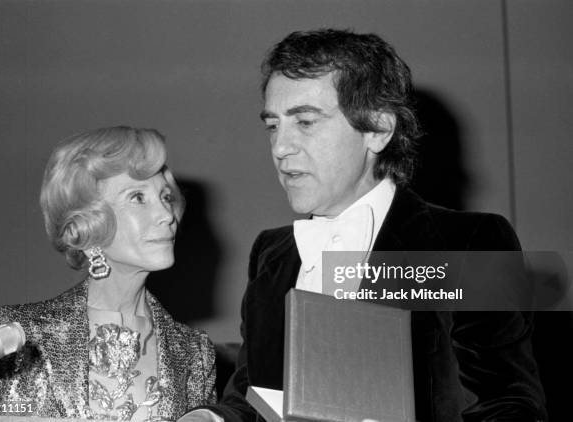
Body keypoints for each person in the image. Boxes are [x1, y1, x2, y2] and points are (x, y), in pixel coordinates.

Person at [192, 30, 547, 421]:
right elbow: (251, 394)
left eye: (305, 122)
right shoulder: (271, 254)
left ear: (378, 128)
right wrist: (212, 418)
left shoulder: (468, 243)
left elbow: (510, 408)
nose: (280, 147)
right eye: (273, 125)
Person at [0, 126, 216, 420]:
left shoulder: (195, 353)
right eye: (138, 197)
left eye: (166, 197)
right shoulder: (16, 334)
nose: (166, 215)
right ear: (86, 226)